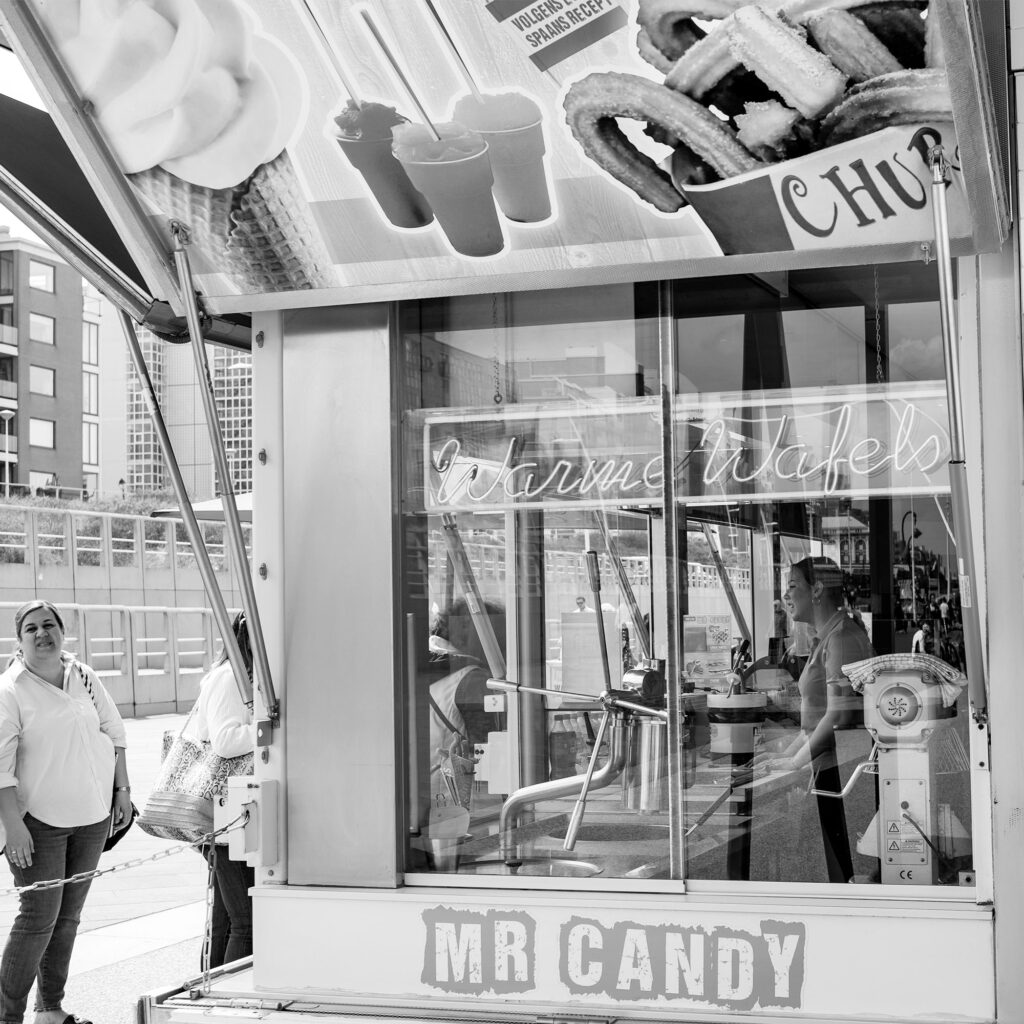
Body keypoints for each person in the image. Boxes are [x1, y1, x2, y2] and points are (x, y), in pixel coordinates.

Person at [0, 600, 131, 1024]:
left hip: (92, 817)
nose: (43, 634)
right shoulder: (10, 690)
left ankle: (50, 1009)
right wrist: (13, 826)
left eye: (50, 625)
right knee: (39, 918)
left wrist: (122, 792)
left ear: (63, 631)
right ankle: (7, 1015)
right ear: (19, 640)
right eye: (32, 628)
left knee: (68, 918)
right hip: (39, 823)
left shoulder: (84, 675)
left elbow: (114, 731)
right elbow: (1, 768)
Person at [764, 557, 874, 883]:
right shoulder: (823, 638)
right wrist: (783, 757)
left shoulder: (841, 638)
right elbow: (813, 721)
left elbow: (837, 714)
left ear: (818, 590)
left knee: (844, 874)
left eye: (793, 586)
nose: (786, 595)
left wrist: (794, 762)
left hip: (842, 774)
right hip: (827, 769)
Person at [185, 611, 254, 967]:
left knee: (227, 916)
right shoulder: (229, 678)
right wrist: (267, 725)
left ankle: (210, 986)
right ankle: (231, 995)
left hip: (230, 811)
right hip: (224, 812)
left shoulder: (237, 677)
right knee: (246, 919)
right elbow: (226, 741)